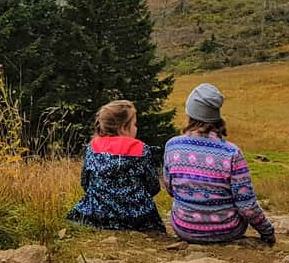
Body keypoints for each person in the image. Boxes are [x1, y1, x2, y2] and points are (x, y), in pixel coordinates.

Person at [163, 83, 276, 244]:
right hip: (227, 230)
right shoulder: (232, 153)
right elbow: (246, 206)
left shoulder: (172, 146)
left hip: (184, 228)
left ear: (189, 113)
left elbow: (170, 189)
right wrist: (268, 232)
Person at [67, 99, 165, 232]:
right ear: (124, 128)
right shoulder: (142, 149)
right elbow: (153, 186)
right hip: (137, 217)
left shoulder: (93, 147)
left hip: (95, 214)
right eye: (134, 124)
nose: (136, 128)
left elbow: (85, 182)